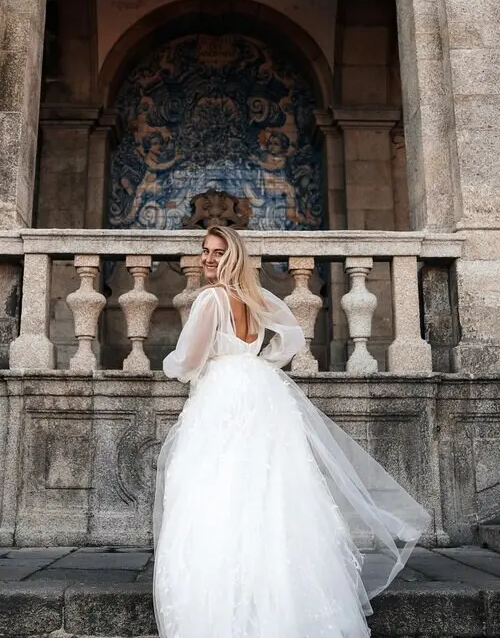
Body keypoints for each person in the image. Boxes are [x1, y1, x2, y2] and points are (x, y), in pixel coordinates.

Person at [153, 226, 431, 638]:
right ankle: (280, 603)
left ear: (233, 257)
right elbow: (293, 336)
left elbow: (190, 359)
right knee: (268, 492)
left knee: (218, 489)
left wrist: (172, 366)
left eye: (217, 252)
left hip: (224, 394)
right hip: (259, 388)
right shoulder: (256, 297)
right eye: (205, 251)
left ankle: (227, 608)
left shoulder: (211, 299)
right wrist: (261, 360)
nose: (209, 258)